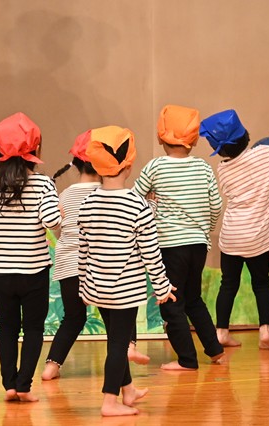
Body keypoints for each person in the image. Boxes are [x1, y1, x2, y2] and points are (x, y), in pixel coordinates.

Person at [78, 125, 176, 416]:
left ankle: (128, 390)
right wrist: (162, 287)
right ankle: (110, 401)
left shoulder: (87, 204)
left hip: (97, 288)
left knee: (115, 340)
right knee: (119, 346)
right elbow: (151, 254)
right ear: (129, 163)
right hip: (124, 292)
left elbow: (83, 251)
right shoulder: (138, 205)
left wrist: (83, 286)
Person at [41, 130, 148, 382]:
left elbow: (57, 228)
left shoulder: (65, 195)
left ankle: (51, 367)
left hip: (68, 266)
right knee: (118, 314)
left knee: (73, 318)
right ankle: (129, 346)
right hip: (99, 266)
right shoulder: (109, 194)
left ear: (76, 163)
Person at [0, 112, 61, 402]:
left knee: (7, 328)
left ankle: (9, 385)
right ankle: (24, 386)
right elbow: (51, 221)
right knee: (33, 328)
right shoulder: (43, 184)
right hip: (33, 269)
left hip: (0, 271)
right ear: (35, 149)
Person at [199, 109, 269, 349]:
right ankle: (265, 331)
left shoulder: (223, 169)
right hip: (257, 236)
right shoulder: (266, 154)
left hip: (232, 236)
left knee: (228, 284)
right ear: (245, 135)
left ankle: (221, 332)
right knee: (262, 283)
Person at [133, 105, 224, 371]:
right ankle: (215, 350)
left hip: (170, 246)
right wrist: (204, 230)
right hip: (198, 245)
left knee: (171, 302)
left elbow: (134, 199)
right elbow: (216, 205)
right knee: (193, 299)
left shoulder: (155, 167)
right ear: (194, 140)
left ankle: (187, 359)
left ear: (160, 137)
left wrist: (153, 205)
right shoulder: (203, 167)